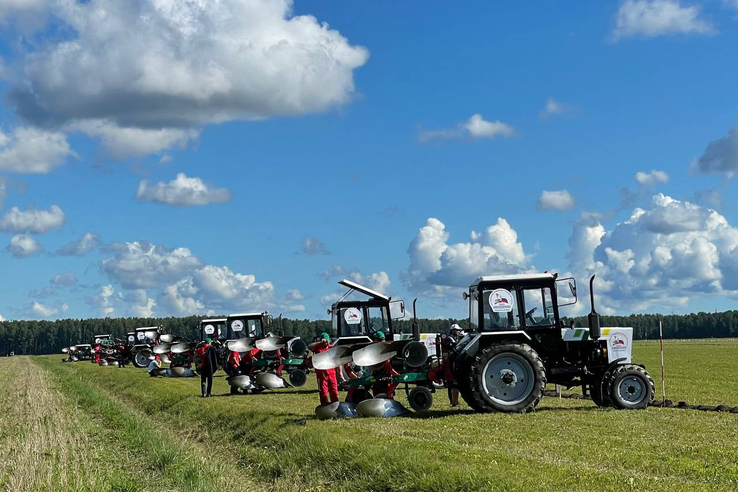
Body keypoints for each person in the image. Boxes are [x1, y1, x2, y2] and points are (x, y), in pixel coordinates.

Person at [312, 333, 339, 405]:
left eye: (327, 341)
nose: (326, 343)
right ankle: (324, 405)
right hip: (321, 373)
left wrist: (340, 373)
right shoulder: (317, 348)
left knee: (334, 390)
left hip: (331, 372)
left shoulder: (332, 348)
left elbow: (337, 360)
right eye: (324, 341)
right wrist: (320, 343)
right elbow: (311, 348)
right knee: (323, 391)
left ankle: (335, 404)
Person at [442, 324, 463, 406]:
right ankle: (452, 401)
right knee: (452, 383)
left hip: (455, 360)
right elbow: (455, 346)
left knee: (455, 383)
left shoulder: (455, 338)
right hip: (452, 361)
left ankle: (455, 401)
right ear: (453, 331)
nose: (459, 332)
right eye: (457, 330)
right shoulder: (450, 338)